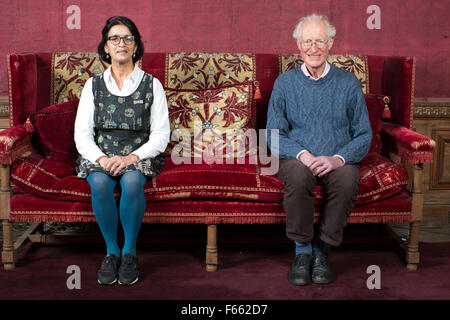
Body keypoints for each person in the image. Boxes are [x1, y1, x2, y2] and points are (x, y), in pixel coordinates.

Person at [266, 14, 372, 286]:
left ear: (330, 43)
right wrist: (304, 155)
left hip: (337, 157)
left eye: (320, 41)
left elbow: (363, 134)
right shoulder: (285, 83)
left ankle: (322, 252)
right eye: (307, 42)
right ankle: (302, 252)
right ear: (298, 45)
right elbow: (273, 134)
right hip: (296, 157)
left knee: (349, 179)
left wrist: (338, 159)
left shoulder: (348, 83)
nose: (313, 48)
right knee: (300, 176)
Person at [74, 16, 170, 286]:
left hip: (138, 153)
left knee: (130, 181)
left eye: (128, 38)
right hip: (100, 153)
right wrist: (102, 159)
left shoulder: (152, 85)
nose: (121, 43)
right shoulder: (92, 86)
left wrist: (131, 158)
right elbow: (82, 133)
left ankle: (129, 252)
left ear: (136, 46)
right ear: (106, 47)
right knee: (101, 183)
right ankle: (111, 252)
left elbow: (161, 135)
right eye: (114, 38)